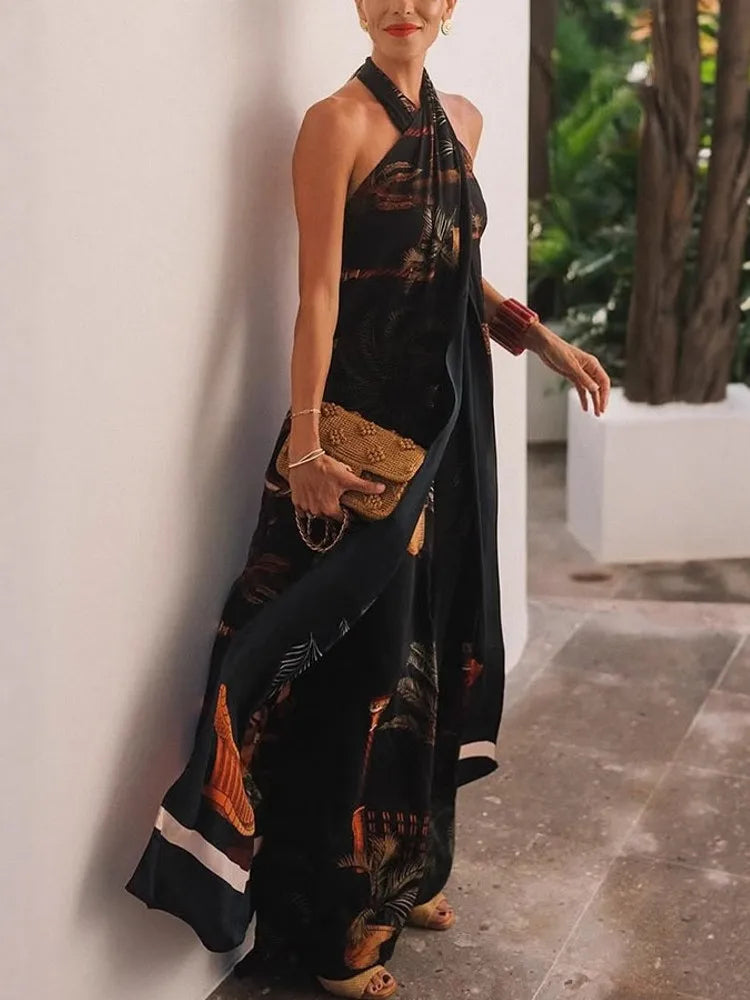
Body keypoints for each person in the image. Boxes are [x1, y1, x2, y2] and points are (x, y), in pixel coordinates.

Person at [126, 2, 611, 998]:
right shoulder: (333, 123)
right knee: (364, 670)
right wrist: (304, 441)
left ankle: (400, 873)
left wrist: (541, 338)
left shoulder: (465, 120)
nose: (406, 4)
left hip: (446, 428)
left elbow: (456, 271)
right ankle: (339, 919)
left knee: (432, 645)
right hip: (357, 442)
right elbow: (317, 297)